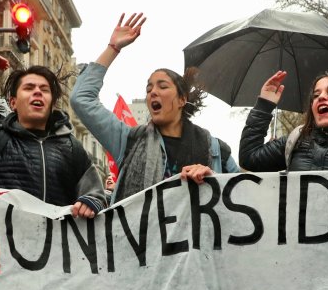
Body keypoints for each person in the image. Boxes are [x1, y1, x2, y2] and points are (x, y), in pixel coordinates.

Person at [70, 13, 239, 202]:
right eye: (149, 88)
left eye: (163, 86)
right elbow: (81, 99)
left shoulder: (215, 150)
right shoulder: (128, 141)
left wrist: (214, 179)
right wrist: (113, 48)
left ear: (182, 99)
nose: (152, 92)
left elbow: (243, 193)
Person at [0, 53, 106, 218]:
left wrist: (89, 203)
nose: (37, 92)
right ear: (13, 103)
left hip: (55, 245)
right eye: (29, 88)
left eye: (44, 89)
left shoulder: (72, 147)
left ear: (52, 104)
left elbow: (96, 195)